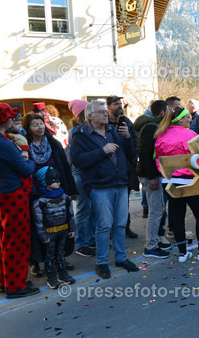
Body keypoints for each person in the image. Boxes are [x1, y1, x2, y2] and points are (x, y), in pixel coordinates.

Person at [69, 99, 138, 278]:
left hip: (120, 184)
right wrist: (103, 151)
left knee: (120, 224)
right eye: (101, 112)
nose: (105, 114)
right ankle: (101, 262)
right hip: (100, 186)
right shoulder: (81, 135)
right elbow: (78, 160)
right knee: (104, 225)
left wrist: (127, 137)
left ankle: (121, 258)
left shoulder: (113, 132)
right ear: (90, 116)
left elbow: (130, 154)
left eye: (105, 112)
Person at [0, 103, 40, 299]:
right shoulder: (2, 143)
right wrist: (30, 159)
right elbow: (26, 170)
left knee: (5, 241)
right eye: (10, 116)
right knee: (17, 242)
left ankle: (8, 281)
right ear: (2, 121)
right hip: (12, 196)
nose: (13, 119)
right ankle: (15, 286)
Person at [153, 105, 199, 263]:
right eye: (187, 117)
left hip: (170, 182)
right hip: (191, 181)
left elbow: (157, 160)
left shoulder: (160, 135)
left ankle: (182, 253)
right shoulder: (191, 134)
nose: (190, 119)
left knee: (178, 217)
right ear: (180, 119)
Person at [23, 112, 78, 277]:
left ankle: (59, 257)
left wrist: (71, 190)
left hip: (56, 192)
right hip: (36, 193)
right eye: (35, 125)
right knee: (38, 228)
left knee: (60, 225)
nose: (39, 127)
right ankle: (35, 262)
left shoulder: (54, 144)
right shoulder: (24, 146)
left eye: (41, 124)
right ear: (28, 128)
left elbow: (65, 168)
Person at [137, 99, 172, 259]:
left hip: (151, 174)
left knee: (158, 209)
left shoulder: (153, 125)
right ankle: (151, 246)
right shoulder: (151, 127)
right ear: (162, 112)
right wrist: (152, 177)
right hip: (149, 174)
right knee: (156, 211)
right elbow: (145, 154)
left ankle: (155, 241)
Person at [31, 167, 75, 289]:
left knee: (61, 254)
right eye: (53, 179)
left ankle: (63, 273)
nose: (57, 182)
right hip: (49, 235)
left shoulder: (65, 198)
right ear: (45, 182)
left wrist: (72, 229)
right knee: (49, 257)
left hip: (63, 232)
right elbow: (38, 222)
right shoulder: (40, 202)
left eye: (58, 179)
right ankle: (51, 277)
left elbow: (70, 214)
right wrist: (43, 236)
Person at [106, 95, 138, 240]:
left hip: (125, 167)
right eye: (115, 104)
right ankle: (112, 229)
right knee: (110, 201)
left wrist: (132, 160)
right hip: (109, 166)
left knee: (124, 199)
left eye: (120, 103)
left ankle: (126, 226)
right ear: (109, 107)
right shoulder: (104, 123)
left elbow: (134, 141)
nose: (119, 106)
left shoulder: (127, 122)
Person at [67, 99, 95, 257]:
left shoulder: (86, 128)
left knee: (90, 208)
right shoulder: (76, 131)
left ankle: (89, 239)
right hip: (80, 174)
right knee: (84, 210)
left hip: (88, 175)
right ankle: (81, 243)